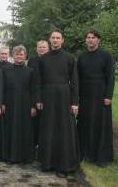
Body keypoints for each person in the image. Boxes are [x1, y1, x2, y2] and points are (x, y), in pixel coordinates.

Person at [37, 29, 80, 177]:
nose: (55, 40)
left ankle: (64, 165)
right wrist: (39, 99)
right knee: (48, 129)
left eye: (58, 38)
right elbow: (39, 81)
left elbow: (74, 81)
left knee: (63, 130)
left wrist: (75, 102)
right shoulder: (43, 59)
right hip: (47, 97)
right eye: (53, 38)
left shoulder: (69, 58)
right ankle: (47, 163)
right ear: (50, 40)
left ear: (62, 41)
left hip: (64, 97)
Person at [77, 29, 115, 166]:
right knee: (84, 124)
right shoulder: (81, 57)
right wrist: (77, 98)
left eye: (93, 37)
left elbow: (111, 77)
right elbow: (77, 78)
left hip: (101, 95)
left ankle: (102, 157)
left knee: (101, 125)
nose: (90, 40)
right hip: (85, 95)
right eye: (88, 37)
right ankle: (84, 153)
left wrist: (108, 95)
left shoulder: (106, 56)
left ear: (98, 40)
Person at [0, 45, 37, 164]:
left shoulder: (30, 71)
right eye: (16, 54)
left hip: (26, 104)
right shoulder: (6, 71)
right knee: (10, 129)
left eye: (21, 54)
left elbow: (33, 89)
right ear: (13, 56)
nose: (19, 56)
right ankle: (10, 156)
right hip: (10, 102)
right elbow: (3, 88)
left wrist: (33, 106)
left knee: (25, 130)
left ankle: (25, 157)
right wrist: (2, 103)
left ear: (25, 56)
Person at [27, 40, 49, 149]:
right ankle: (34, 146)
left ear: (48, 48)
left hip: (48, 96)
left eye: (44, 47)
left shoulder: (51, 60)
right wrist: (32, 103)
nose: (42, 49)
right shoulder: (32, 61)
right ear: (36, 49)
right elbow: (30, 82)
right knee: (35, 123)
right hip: (34, 95)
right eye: (40, 47)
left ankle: (45, 147)